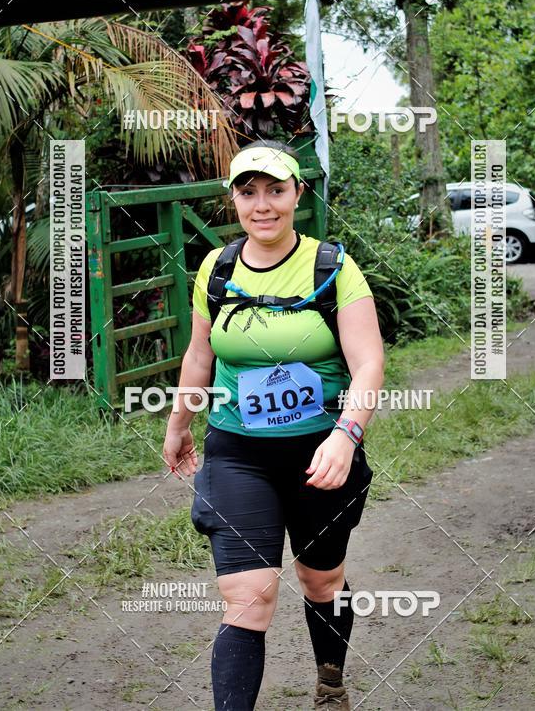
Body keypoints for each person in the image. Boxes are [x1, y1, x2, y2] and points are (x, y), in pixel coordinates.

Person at [163, 140, 384, 710]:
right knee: (248, 599)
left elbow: (368, 363)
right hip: (239, 454)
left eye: (275, 191)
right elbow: (199, 356)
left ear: (296, 195)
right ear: (233, 199)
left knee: (322, 582)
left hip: (321, 454)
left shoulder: (332, 267)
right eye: (248, 191)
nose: (262, 205)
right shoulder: (215, 268)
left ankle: (330, 683)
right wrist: (179, 422)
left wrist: (346, 434)